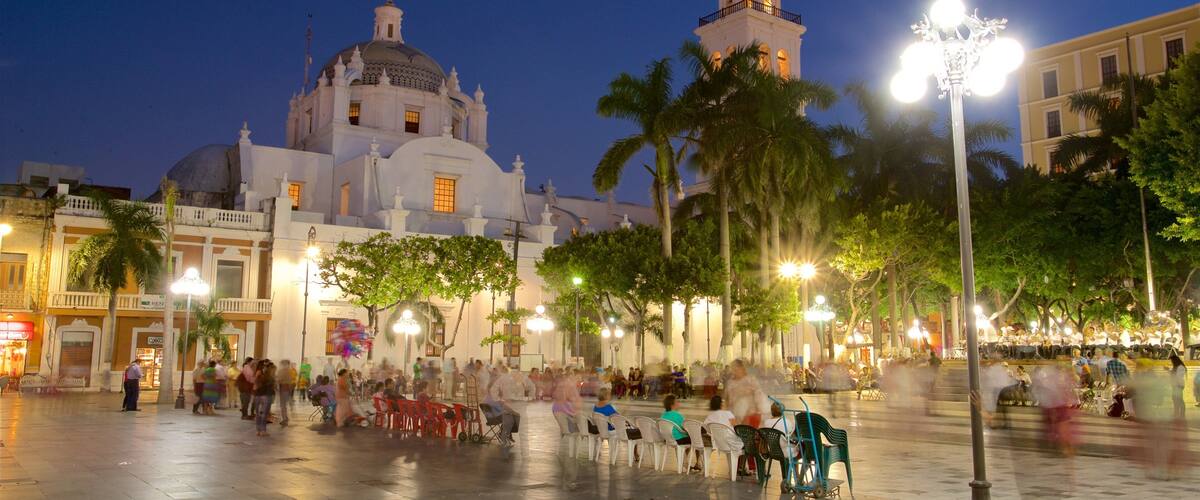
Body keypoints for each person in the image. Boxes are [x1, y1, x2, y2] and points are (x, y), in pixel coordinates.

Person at [483, 365, 521, 446]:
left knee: (510, 414)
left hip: (491, 416)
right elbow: (504, 407)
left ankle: (507, 434)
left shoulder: (488, 397)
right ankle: (505, 434)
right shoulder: (495, 398)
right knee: (514, 416)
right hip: (494, 417)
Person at [552, 368, 582, 434]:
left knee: (566, 432)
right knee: (568, 433)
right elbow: (568, 397)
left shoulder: (565, 383)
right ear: (572, 376)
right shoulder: (569, 384)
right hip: (563, 410)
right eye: (578, 377)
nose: (580, 378)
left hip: (559, 409)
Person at [253, 361, 277, 437]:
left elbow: (255, 385)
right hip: (266, 395)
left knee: (258, 413)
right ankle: (263, 430)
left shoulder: (258, 374)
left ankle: (258, 430)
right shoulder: (269, 376)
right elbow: (273, 386)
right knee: (264, 414)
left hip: (257, 395)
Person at [278, 359, 297, 426]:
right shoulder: (289, 371)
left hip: (283, 389)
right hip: (287, 389)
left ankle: (285, 419)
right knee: (284, 405)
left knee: (283, 406)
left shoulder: (282, 371)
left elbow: (279, 380)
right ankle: (285, 418)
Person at [1169, 354, 1187, 420]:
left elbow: (1178, 376)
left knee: (1179, 399)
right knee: (1175, 399)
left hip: (1178, 385)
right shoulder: (1177, 367)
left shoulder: (1180, 367)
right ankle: (1176, 412)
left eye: (1172, 361)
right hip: (1176, 385)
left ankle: (1182, 414)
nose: (1171, 362)